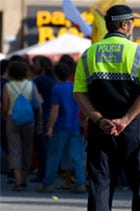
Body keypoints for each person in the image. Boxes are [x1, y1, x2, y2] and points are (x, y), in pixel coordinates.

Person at [73, 4, 140, 211]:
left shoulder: (89, 54)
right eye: (132, 23)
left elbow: (79, 93)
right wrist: (124, 120)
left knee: (100, 186)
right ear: (124, 25)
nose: (133, 26)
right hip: (133, 131)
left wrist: (99, 119)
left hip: (100, 131)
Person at [36, 62, 86, 193]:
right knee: (76, 156)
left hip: (60, 126)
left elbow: (55, 110)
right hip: (74, 125)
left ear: (55, 74)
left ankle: (48, 183)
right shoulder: (74, 86)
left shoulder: (57, 89)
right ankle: (80, 182)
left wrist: (50, 127)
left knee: (54, 156)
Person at [2, 60, 42, 191]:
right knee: (27, 149)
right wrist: (40, 121)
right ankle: (25, 179)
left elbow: (5, 105)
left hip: (12, 119)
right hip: (29, 120)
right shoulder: (31, 85)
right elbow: (39, 104)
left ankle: (19, 181)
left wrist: (5, 115)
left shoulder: (8, 86)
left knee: (15, 150)